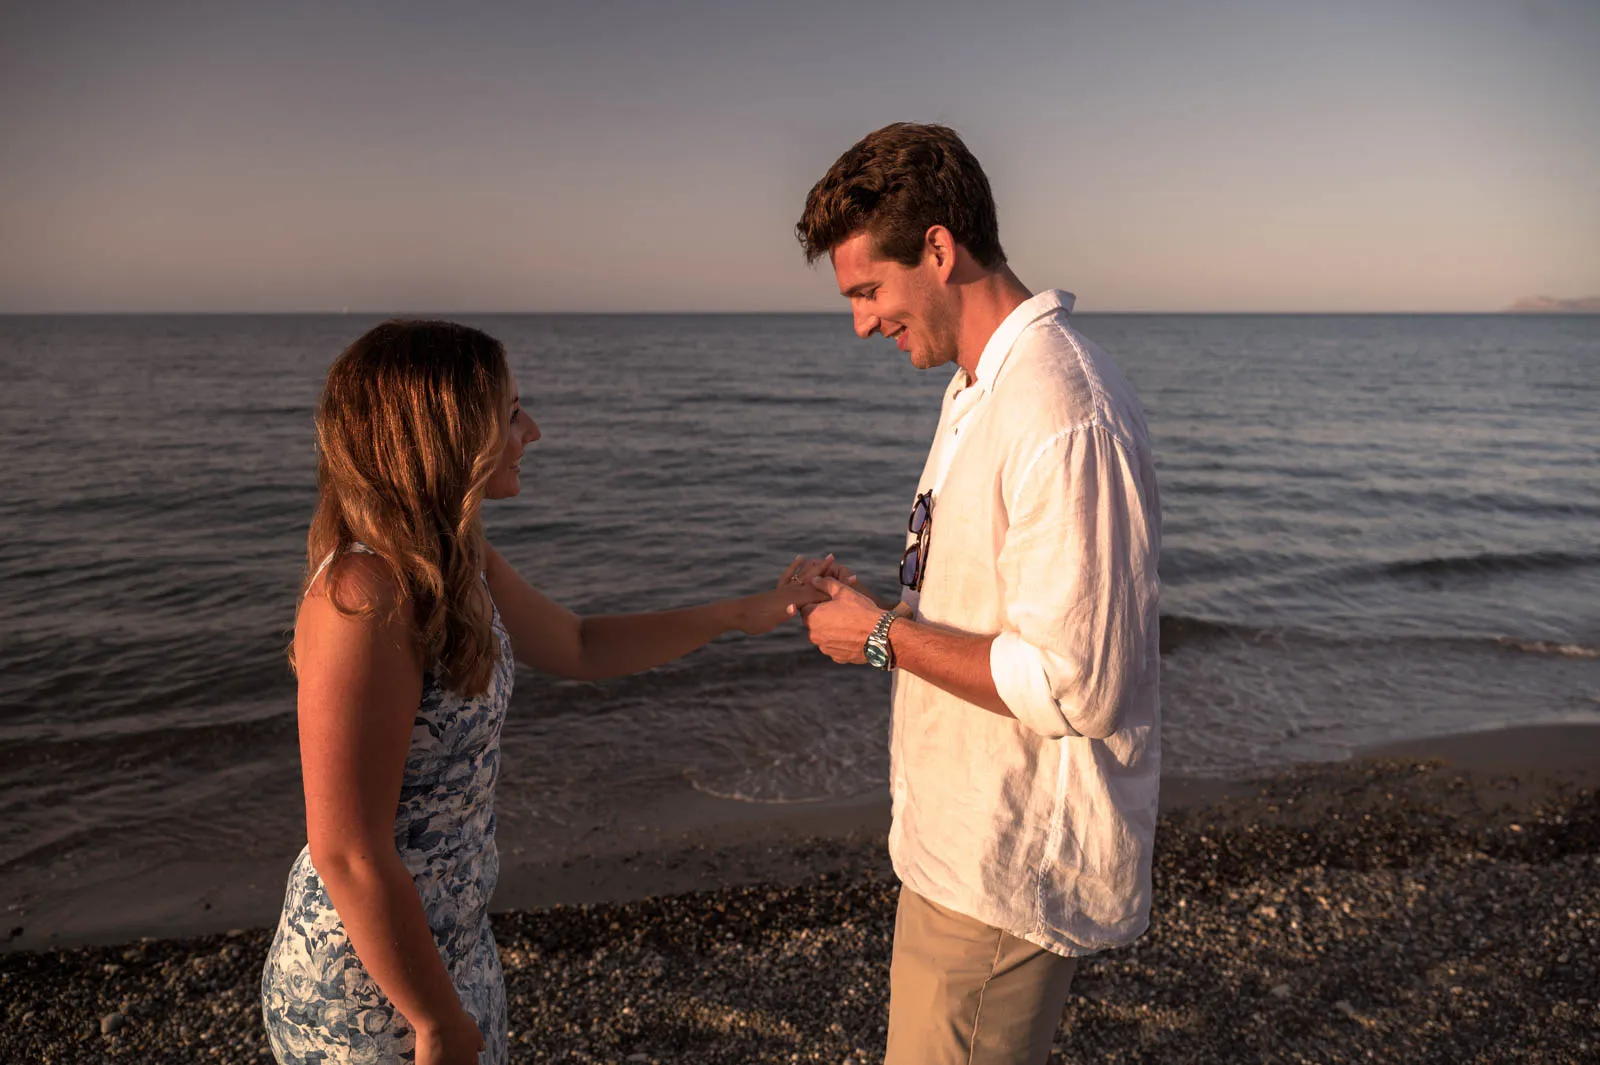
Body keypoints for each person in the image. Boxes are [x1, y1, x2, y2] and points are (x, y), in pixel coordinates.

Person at [260, 319, 827, 1065]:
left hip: (450, 947)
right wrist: (436, 1019)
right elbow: (349, 852)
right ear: (446, 433)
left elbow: (579, 643)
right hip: (371, 985)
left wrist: (737, 614)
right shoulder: (362, 594)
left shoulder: (453, 558)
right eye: (510, 411)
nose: (532, 429)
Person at [791, 123, 1163, 1064]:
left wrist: (880, 638)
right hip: (956, 850)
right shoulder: (978, 388)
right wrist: (886, 611)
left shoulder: (1060, 407)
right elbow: (996, 612)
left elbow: (1075, 685)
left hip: (1006, 873)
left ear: (940, 249)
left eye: (869, 289)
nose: (862, 322)